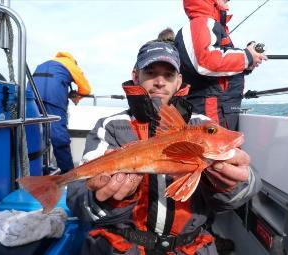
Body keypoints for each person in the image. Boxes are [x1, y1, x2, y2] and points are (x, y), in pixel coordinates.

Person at [67, 40, 261, 255]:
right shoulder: (110, 126)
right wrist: (112, 200)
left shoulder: (202, 124)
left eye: (168, 75)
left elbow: (241, 191)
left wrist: (231, 185)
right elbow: (78, 201)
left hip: (190, 247)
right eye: (150, 72)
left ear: (178, 81)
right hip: (124, 247)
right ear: (135, 75)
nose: (160, 82)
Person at [175, 0, 267, 131]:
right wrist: (246, 57)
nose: (228, 4)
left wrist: (247, 64)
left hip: (221, 110)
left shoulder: (209, 25)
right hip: (212, 109)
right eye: (225, 0)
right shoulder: (201, 22)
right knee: (214, 150)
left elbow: (217, 69)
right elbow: (204, 60)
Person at [29, 52, 91, 173]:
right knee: (59, 137)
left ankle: (38, 170)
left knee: (36, 133)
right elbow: (86, 88)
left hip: (31, 98)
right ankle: (68, 172)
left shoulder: (44, 64)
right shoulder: (71, 65)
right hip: (53, 99)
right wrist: (76, 96)